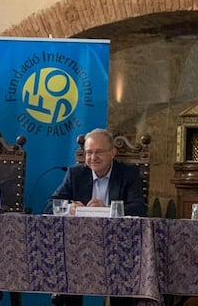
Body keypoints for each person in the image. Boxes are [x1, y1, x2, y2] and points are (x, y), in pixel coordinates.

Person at [44, 128, 147, 306]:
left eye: (99, 152)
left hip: (118, 247)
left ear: (113, 152)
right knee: (67, 265)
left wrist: (107, 209)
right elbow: (49, 206)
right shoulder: (76, 174)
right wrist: (69, 208)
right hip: (78, 247)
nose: (93, 158)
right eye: (89, 153)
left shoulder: (128, 173)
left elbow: (139, 209)